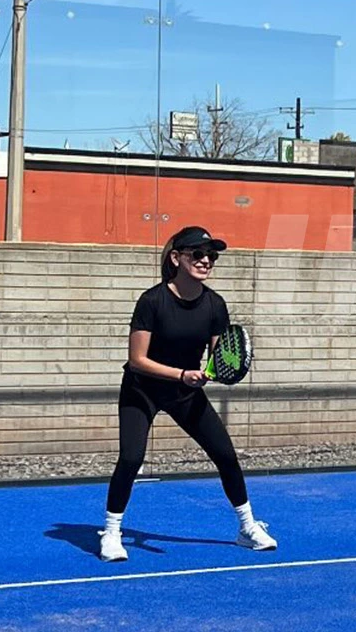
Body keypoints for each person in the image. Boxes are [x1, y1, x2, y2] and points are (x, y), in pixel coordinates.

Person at [99, 226, 276, 562]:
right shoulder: (152, 301)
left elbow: (220, 355)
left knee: (225, 454)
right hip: (142, 390)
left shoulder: (215, 305)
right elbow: (137, 360)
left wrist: (211, 373)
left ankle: (247, 527)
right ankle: (111, 531)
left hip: (184, 392)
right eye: (198, 253)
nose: (206, 260)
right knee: (132, 458)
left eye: (211, 255)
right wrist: (182, 374)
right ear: (176, 258)